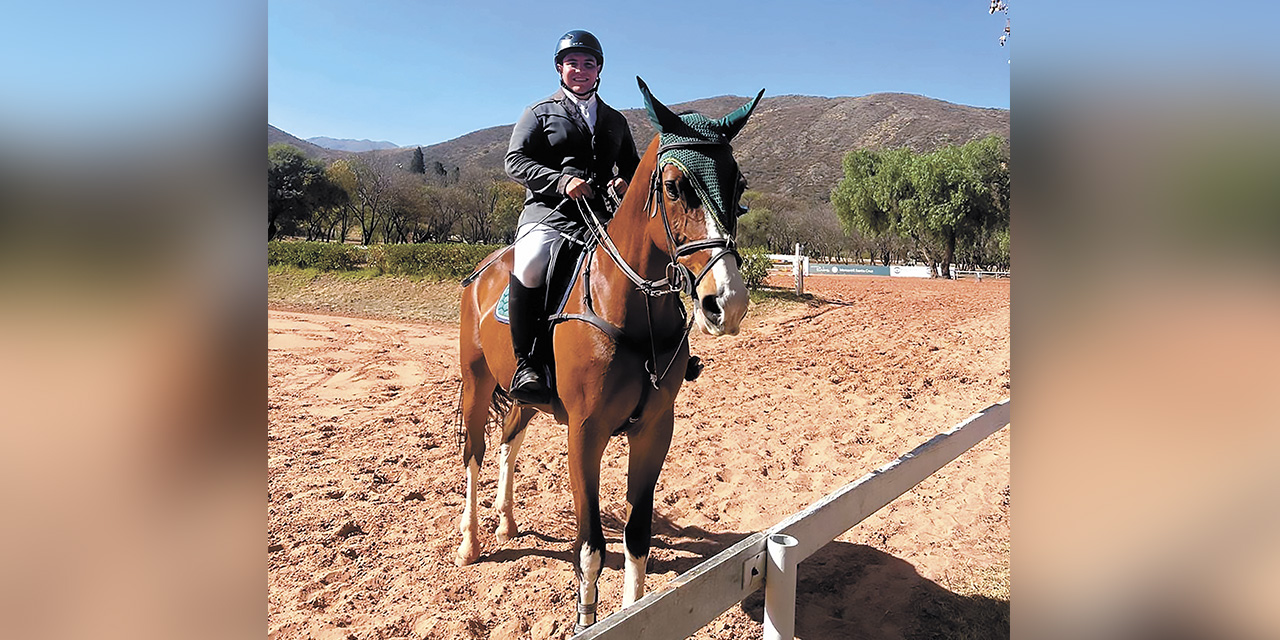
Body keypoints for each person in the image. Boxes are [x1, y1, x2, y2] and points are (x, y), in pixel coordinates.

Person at [503, 29, 640, 404]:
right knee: (530, 263)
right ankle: (527, 362)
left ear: (599, 70)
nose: (580, 70)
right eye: (573, 63)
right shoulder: (538, 112)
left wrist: (623, 182)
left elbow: (632, 167)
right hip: (549, 212)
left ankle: (666, 350)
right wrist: (561, 182)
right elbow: (514, 161)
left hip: (599, 216)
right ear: (560, 69)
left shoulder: (615, 120)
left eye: (588, 64)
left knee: (645, 260)